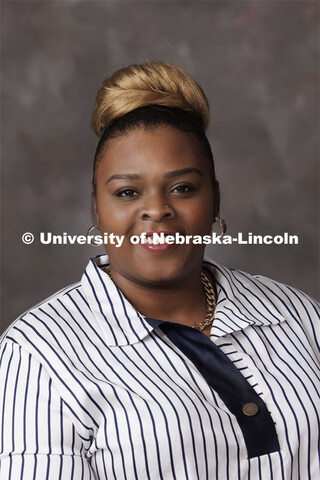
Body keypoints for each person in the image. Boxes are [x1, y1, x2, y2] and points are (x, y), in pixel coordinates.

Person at [0, 61, 319, 480]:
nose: (157, 209)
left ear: (215, 200)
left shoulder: (300, 315)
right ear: (97, 207)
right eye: (128, 192)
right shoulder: (39, 355)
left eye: (183, 188)